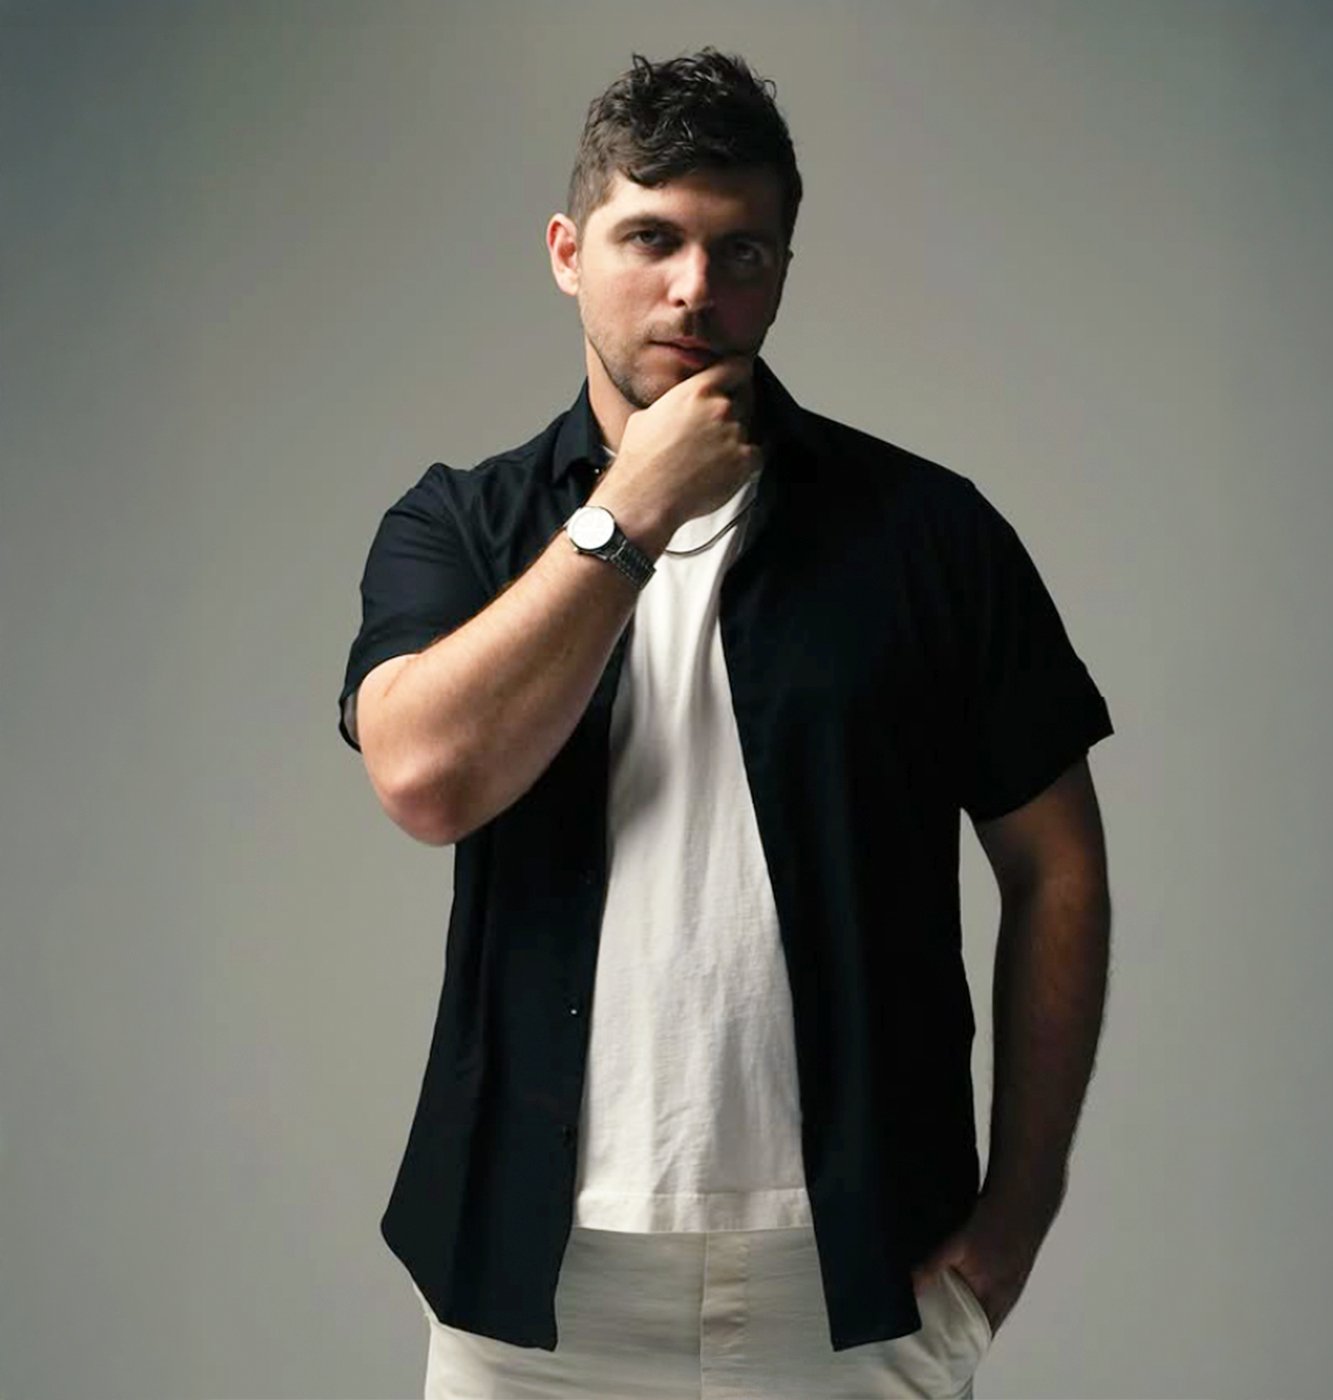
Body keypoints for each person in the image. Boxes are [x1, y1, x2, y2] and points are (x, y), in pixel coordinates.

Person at [337, 46, 1113, 1400]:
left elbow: (1058, 868)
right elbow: (424, 779)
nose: (698, 290)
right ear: (570, 250)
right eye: (654, 239)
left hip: (857, 1278)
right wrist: (633, 511)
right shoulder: (460, 527)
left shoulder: (930, 535)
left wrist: (1023, 1206)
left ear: (783, 269)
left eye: (742, 251)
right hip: (535, 1288)